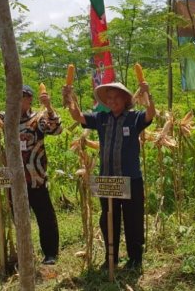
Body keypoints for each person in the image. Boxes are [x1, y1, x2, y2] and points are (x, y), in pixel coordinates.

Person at [63, 81, 155, 271]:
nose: (112, 101)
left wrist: (147, 96)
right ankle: (111, 257)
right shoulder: (101, 118)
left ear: (125, 99)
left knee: (133, 220)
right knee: (108, 220)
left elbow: (150, 115)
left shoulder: (133, 118)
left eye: (116, 97)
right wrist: (70, 98)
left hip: (130, 179)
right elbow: (78, 116)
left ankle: (135, 258)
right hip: (107, 179)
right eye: (109, 98)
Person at [0, 84, 62, 265]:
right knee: (18, 217)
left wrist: (49, 107)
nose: (17, 101)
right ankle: (26, 254)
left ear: (29, 100)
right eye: (14, 97)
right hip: (14, 179)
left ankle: (50, 253)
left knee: (45, 216)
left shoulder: (38, 119)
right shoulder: (5, 119)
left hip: (35, 177)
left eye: (22, 97)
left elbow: (56, 129)